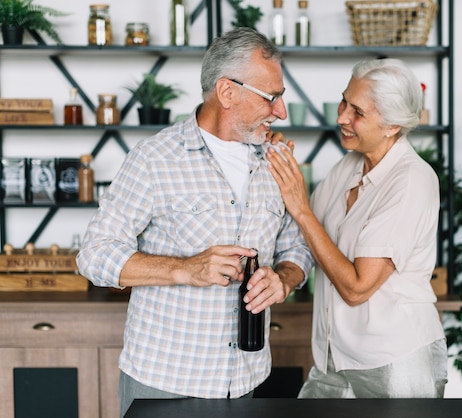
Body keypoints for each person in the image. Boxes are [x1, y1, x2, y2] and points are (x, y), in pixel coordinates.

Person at [76, 27, 313, 417]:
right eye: (272, 97)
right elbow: (94, 255)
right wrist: (186, 269)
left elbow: (296, 247)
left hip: (247, 382)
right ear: (227, 92)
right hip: (165, 384)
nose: (281, 111)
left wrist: (284, 279)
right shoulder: (154, 159)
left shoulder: (275, 160)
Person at [267, 58, 447, 398]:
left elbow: (357, 288)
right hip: (334, 359)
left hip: (393, 363)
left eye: (358, 112)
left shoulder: (411, 180)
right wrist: (273, 158)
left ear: (392, 126)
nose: (341, 117)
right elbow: (300, 231)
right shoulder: (348, 166)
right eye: (344, 102)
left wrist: (302, 208)